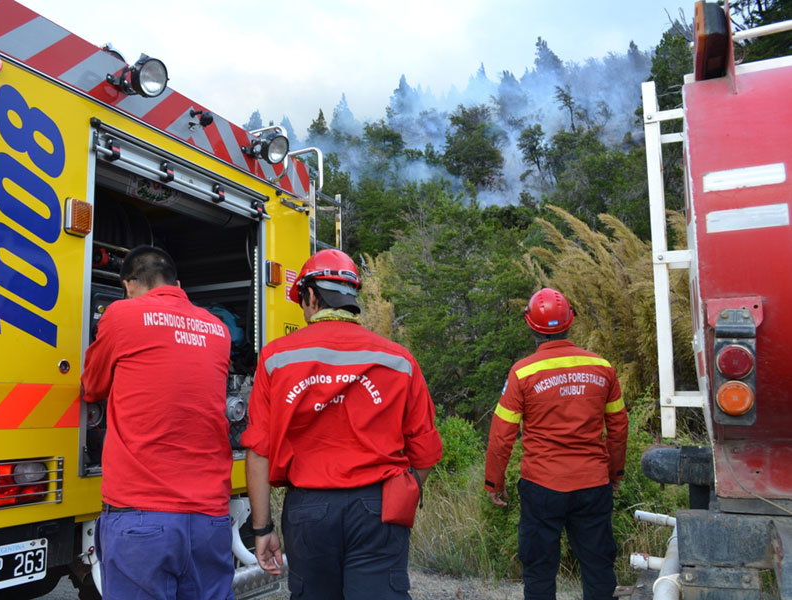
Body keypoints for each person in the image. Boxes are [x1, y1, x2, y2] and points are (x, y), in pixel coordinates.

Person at [241, 248, 443, 600]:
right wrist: (404, 491)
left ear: (311, 295)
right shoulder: (398, 359)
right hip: (379, 506)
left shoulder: (276, 359)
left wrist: (263, 529)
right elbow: (425, 451)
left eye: (302, 301)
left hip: (308, 510)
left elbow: (259, 453)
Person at [81, 245, 235, 600]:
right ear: (178, 283)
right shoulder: (217, 329)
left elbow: (93, 386)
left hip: (142, 515)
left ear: (128, 285)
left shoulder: (121, 315)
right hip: (210, 518)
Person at [484, 288, 628, 600]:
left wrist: (494, 480)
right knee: (598, 566)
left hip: (542, 486)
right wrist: (615, 474)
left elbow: (501, 434)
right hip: (593, 484)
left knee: (539, 569)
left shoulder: (522, 372)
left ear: (529, 324)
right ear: (570, 321)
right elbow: (618, 427)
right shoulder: (603, 367)